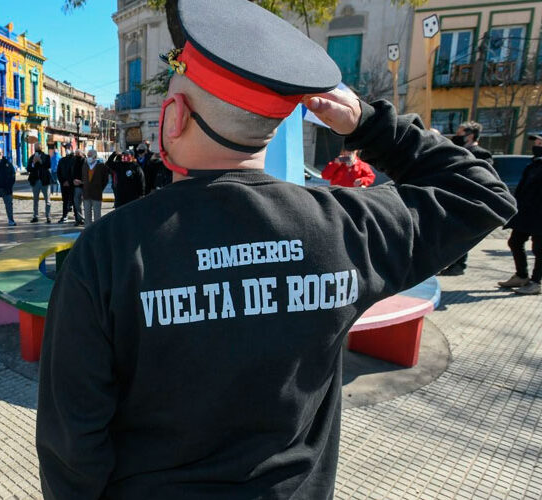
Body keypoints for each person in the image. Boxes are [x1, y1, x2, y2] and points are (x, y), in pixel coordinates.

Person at [35, 0, 516, 497]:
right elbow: (480, 191)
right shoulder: (343, 229)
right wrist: (369, 124)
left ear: (173, 117)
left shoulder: (107, 250)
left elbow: (72, 443)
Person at [440, 121, 494, 276]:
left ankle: (459, 265)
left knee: (461, 235)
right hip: (452, 197)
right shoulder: (457, 151)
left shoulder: (480, 154)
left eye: (460, 133)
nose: (457, 136)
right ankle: (452, 264)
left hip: (466, 200)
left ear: (470, 136)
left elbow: (483, 178)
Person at [498, 134, 542, 295]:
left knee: (539, 249)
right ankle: (521, 275)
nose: (536, 145)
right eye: (536, 142)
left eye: (540, 143)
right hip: (526, 214)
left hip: (539, 216)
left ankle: (536, 282)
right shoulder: (534, 165)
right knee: (515, 242)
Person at [81, 149, 109, 226]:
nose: (88, 157)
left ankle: (97, 230)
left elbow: (105, 180)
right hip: (86, 194)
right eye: (88, 156)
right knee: (87, 214)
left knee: (97, 214)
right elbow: (84, 178)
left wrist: (100, 188)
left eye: (90, 156)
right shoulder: (85, 165)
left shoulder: (101, 166)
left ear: (95, 156)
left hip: (96, 194)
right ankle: (87, 230)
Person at [27, 144, 52, 223]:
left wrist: (40, 161)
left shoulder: (46, 156)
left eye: (38, 147)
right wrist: (33, 163)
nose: (37, 148)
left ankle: (48, 216)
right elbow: (29, 169)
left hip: (44, 181)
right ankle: (35, 216)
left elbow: (48, 166)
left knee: (47, 200)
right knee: (35, 200)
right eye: (36, 147)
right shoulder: (32, 157)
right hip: (35, 181)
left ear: (41, 148)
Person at [57, 144, 75, 223]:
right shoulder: (62, 160)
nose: (67, 149)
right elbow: (58, 172)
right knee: (65, 201)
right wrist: (63, 181)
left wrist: (69, 181)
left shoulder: (75, 159)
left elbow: (75, 173)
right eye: (66, 148)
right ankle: (64, 216)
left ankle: (77, 217)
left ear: (71, 149)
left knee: (74, 201)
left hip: (72, 185)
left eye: (68, 148)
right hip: (64, 185)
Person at [71, 149, 87, 226]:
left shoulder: (85, 161)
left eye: (78, 153)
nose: (76, 155)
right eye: (76, 153)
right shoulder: (74, 161)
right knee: (77, 204)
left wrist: (81, 181)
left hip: (84, 185)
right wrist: (73, 180)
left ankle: (87, 219)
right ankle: (79, 219)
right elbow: (72, 172)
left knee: (86, 204)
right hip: (76, 185)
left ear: (82, 154)